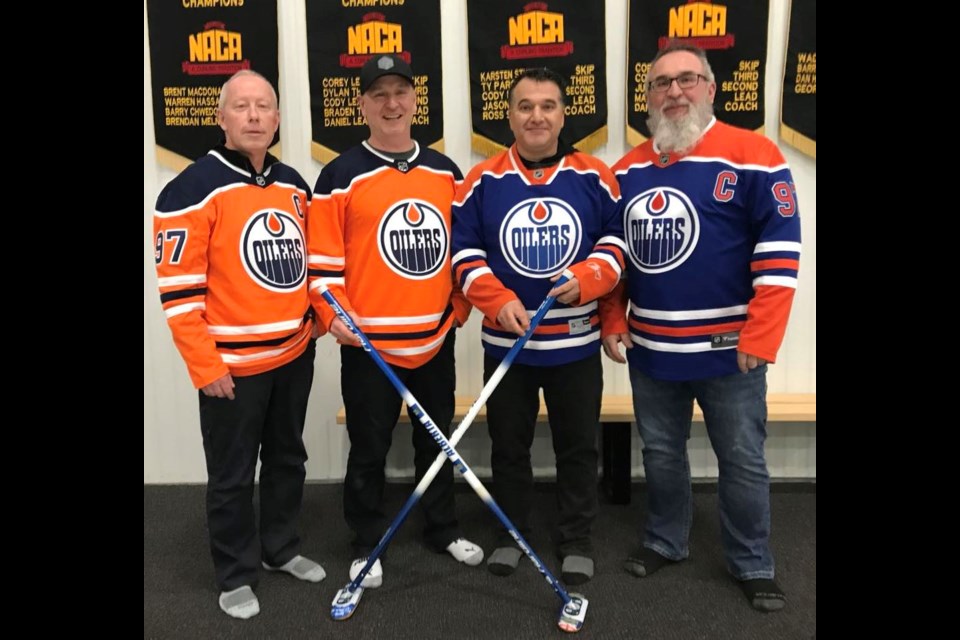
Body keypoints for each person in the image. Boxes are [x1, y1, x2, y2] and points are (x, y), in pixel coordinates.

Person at [601, 42, 801, 612]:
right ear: (648, 99)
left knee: (741, 457)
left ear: (711, 89)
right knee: (661, 453)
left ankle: (752, 562)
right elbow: (611, 257)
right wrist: (613, 318)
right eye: (661, 84)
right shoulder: (628, 169)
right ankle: (667, 540)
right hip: (653, 351)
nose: (674, 92)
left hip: (730, 351)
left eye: (687, 79)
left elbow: (781, 251)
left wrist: (761, 337)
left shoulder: (754, 154)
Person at [153, 70, 325, 620]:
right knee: (231, 474)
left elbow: (308, 267)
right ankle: (234, 573)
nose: (254, 116)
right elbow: (179, 296)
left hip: (293, 357)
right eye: (242, 106)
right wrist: (205, 366)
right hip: (231, 368)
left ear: (277, 119)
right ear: (221, 117)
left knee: (287, 459)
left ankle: (279, 549)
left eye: (264, 107)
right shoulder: (189, 189)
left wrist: (316, 324)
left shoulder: (295, 183)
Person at [307, 53, 483, 589]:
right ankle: (366, 542)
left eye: (400, 92)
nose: (391, 103)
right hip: (369, 348)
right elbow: (321, 266)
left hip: (432, 340)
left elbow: (463, 252)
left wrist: (458, 307)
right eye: (378, 94)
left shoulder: (444, 171)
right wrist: (333, 315)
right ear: (362, 104)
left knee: (439, 442)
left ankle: (442, 529)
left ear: (414, 101)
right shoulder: (338, 175)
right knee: (370, 446)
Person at [451, 67, 626, 586]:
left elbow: (616, 245)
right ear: (509, 115)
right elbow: (462, 253)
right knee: (509, 446)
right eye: (525, 106)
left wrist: (589, 277)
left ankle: (576, 537)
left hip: (574, 345)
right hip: (509, 348)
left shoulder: (595, 174)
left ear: (562, 114)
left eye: (547, 105)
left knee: (578, 446)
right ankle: (511, 533)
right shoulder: (480, 180)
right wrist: (496, 298)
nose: (537, 116)